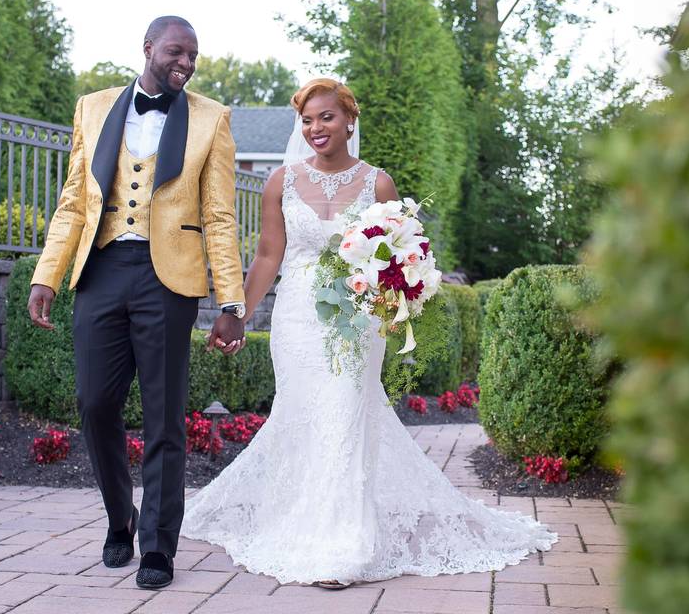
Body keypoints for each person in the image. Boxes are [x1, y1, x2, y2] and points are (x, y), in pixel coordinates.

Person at [181, 78, 556, 588]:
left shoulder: (377, 184)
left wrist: (395, 304)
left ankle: (343, 542)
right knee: (301, 413)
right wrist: (236, 313)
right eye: (307, 120)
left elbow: (402, 254)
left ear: (349, 120)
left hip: (357, 320)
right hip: (297, 318)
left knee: (345, 412)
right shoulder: (280, 182)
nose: (316, 128)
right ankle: (296, 521)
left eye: (327, 117)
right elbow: (269, 256)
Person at [27, 16, 246, 590]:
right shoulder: (93, 107)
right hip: (101, 270)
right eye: (177, 52)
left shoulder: (211, 118)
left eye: (194, 55)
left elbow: (221, 216)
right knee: (95, 402)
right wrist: (46, 274)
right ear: (148, 48)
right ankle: (118, 516)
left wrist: (232, 300)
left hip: (168, 280)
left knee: (165, 415)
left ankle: (157, 546)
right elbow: (75, 199)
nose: (187, 63)